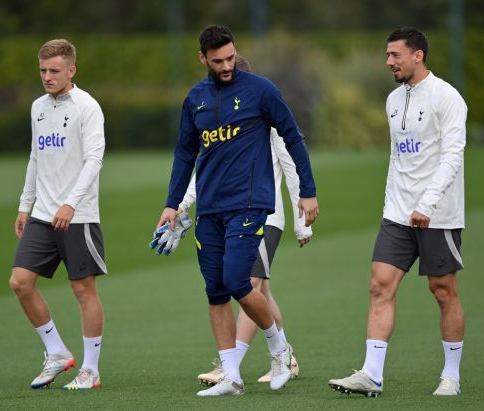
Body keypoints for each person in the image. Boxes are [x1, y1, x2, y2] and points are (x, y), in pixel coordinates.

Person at [155, 25, 319, 396]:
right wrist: (172, 205)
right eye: (218, 61)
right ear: (203, 59)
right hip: (210, 209)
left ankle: (280, 349)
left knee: (237, 282)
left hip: (250, 203)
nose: (227, 65)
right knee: (215, 291)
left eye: (230, 57)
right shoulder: (195, 98)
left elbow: (293, 136)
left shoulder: (260, 90)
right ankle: (232, 376)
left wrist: (307, 193)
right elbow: (185, 153)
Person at [328, 27, 467, 397]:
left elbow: (453, 155)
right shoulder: (392, 99)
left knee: (442, 291)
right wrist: (394, 204)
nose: (389, 61)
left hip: (439, 215)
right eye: (388, 55)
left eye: (395, 55)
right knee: (379, 285)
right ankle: (372, 374)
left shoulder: (447, 97)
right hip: (398, 214)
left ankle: (451, 375)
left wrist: (427, 204)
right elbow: (397, 158)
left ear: (418, 55)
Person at [182, 55, 310, 386]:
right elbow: (204, 170)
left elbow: (293, 167)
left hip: (265, 216)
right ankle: (287, 357)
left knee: (247, 284)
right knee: (260, 291)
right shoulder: (218, 123)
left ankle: (232, 364)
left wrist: (302, 221)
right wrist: (181, 204)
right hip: (226, 213)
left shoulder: (265, 119)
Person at [9, 39, 107, 390]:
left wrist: (71, 202)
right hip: (42, 214)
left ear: (71, 70)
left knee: (83, 290)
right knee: (20, 282)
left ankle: (91, 370)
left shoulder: (87, 107)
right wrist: (25, 204)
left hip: (77, 215)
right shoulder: (37, 107)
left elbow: (94, 159)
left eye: (54, 70)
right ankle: (57, 353)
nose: (47, 77)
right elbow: (36, 156)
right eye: (42, 70)